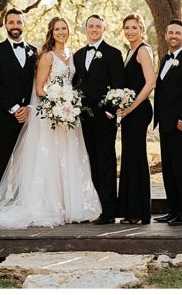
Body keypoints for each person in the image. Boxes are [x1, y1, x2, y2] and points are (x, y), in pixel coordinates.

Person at [0, 16, 100, 227]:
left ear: (69, 31)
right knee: (48, 161)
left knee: (67, 158)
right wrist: (58, 101)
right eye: (57, 29)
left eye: (64, 28)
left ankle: (69, 206)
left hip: (68, 116)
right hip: (52, 115)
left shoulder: (72, 54)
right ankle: (45, 206)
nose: (61, 32)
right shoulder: (47, 56)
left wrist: (70, 102)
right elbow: (40, 88)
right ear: (51, 32)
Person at [73, 13, 125, 224]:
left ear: (104, 29)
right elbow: (76, 84)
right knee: (92, 162)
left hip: (104, 118)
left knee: (106, 163)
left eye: (98, 26)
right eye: (90, 26)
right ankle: (99, 206)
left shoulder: (112, 53)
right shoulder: (77, 55)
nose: (94, 29)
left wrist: (111, 110)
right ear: (86, 29)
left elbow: (119, 84)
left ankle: (110, 211)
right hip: (84, 118)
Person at [153, 19, 182, 226]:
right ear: (165, 36)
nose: (173, 36)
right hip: (165, 125)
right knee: (169, 170)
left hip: (180, 126)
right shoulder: (164, 60)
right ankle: (173, 210)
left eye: (177, 33)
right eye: (170, 32)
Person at [0, 8, 37, 190]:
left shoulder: (34, 51)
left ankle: (22, 201)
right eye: (11, 22)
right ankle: (0, 204)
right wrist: (15, 108)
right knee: (3, 163)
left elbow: (36, 83)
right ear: (5, 25)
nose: (15, 26)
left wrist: (29, 107)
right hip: (5, 116)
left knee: (27, 162)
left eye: (19, 22)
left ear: (24, 24)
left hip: (29, 117)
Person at [116, 12, 156, 225]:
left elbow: (150, 83)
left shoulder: (143, 50)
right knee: (130, 157)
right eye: (127, 28)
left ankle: (140, 212)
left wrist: (131, 107)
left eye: (134, 27)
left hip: (139, 110)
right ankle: (132, 210)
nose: (130, 31)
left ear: (142, 29)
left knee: (137, 157)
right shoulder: (130, 51)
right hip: (130, 111)